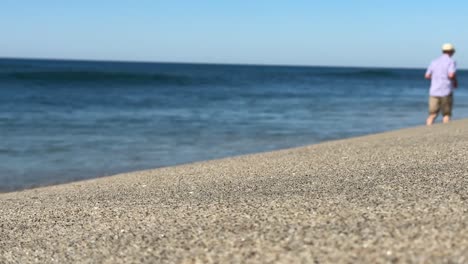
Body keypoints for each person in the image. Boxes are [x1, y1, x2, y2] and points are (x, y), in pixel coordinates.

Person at [425, 43, 458, 125]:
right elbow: (451, 75)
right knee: (446, 114)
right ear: (451, 52)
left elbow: (427, 75)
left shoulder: (434, 62)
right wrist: (455, 81)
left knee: (432, 114)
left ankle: (427, 130)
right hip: (445, 90)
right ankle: (446, 131)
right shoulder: (451, 62)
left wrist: (436, 78)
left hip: (434, 90)